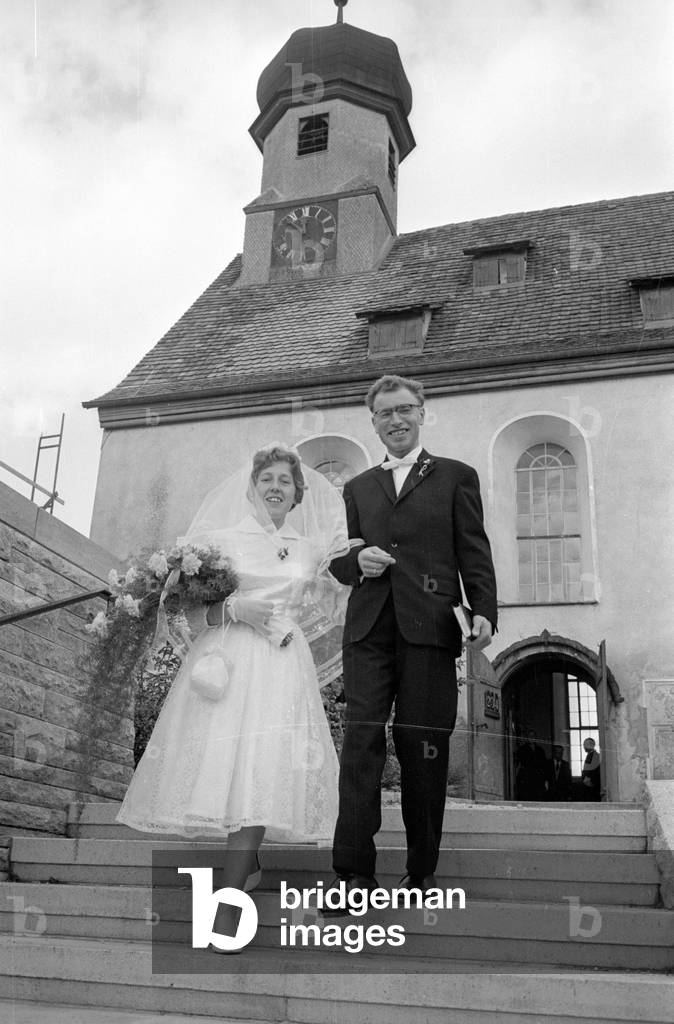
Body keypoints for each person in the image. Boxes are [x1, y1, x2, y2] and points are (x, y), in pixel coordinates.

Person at [116, 444, 350, 938]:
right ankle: (248, 866)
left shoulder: (310, 551)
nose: (275, 487)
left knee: (261, 768)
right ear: (252, 486)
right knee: (227, 769)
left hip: (282, 664)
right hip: (227, 662)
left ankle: (230, 901)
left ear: (297, 493)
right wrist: (234, 610)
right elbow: (186, 613)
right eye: (266, 478)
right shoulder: (219, 543)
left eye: (285, 481)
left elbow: (340, 602)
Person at [326, 374, 498, 905]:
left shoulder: (455, 477)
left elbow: (473, 547)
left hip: (431, 629)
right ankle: (354, 871)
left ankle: (422, 871)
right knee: (361, 746)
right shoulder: (355, 489)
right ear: (373, 421)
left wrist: (484, 610)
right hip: (368, 631)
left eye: (404, 409)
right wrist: (358, 561)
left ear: (422, 412)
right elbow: (336, 558)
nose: (395, 420)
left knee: (423, 747)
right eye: (384, 413)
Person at [514, 729, 548, 801]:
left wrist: (545, 780)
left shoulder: (540, 750)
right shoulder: (521, 749)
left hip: (538, 780)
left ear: (536, 738)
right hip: (526, 779)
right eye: (530, 736)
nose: (531, 737)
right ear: (527, 738)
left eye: (533, 736)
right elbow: (518, 765)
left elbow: (544, 766)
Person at [581, 736, 601, 801]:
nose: (583, 746)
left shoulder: (592, 756)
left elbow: (589, 773)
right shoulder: (593, 755)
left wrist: (587, 783)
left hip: (592, 787)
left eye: (584, 745)